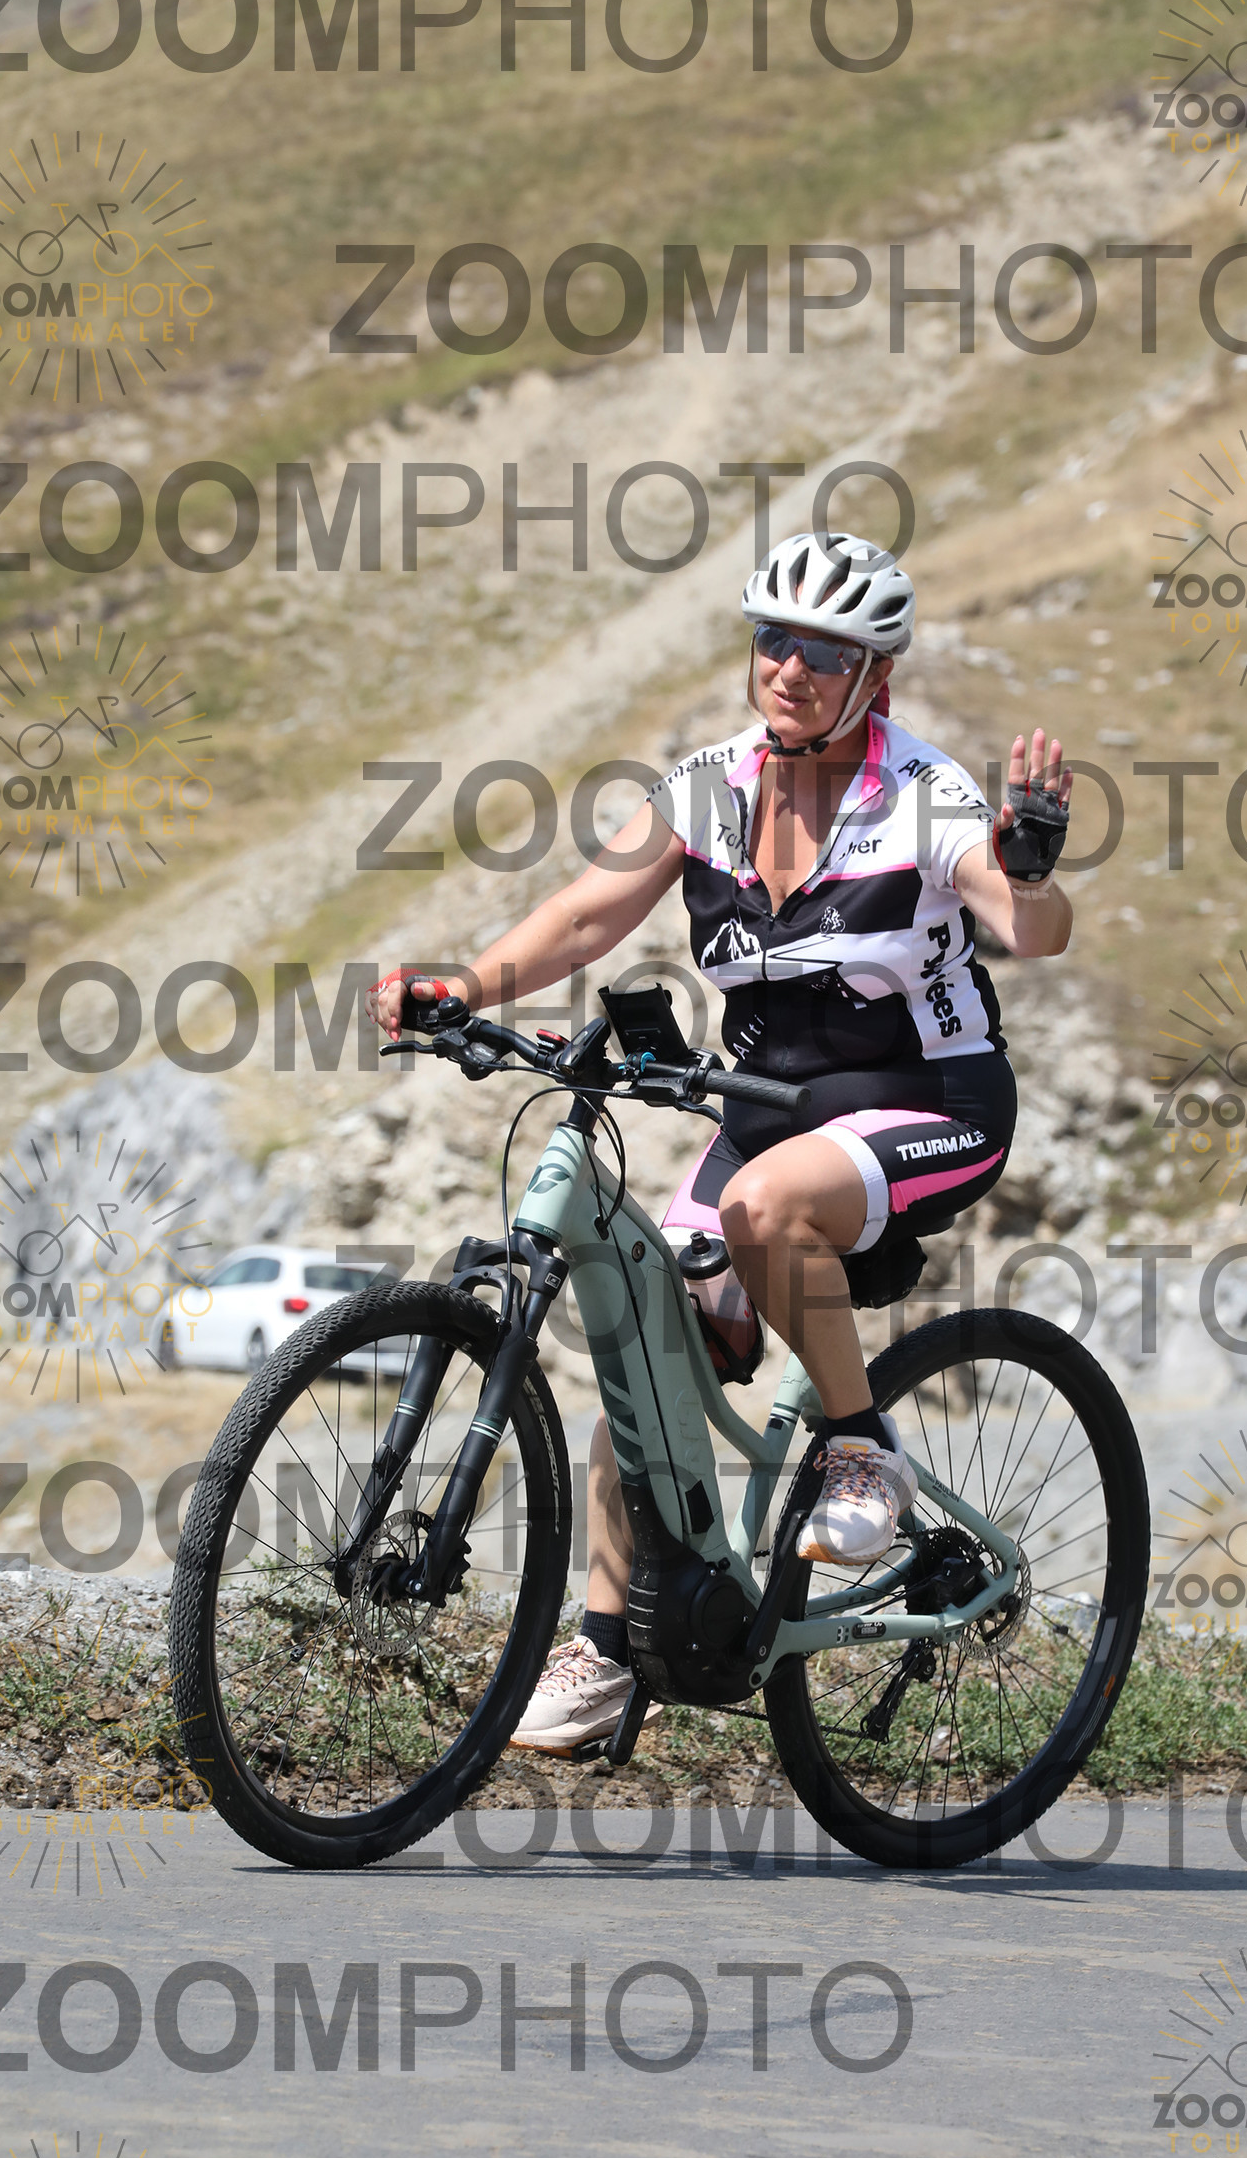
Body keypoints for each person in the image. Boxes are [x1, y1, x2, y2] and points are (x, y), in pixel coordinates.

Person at [368, 531, 1073, 1754]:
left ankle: (862, 1456)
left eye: (825, 652)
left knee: (765, 1211)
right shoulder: (708, 788)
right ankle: (608, 1655)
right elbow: (584, 913)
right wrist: (463, 987)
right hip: (764, 1107)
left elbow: (1030, 930)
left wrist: (1032, 865)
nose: (790, 668)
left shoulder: (924, 795)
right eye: (774, 640)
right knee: (643, 1362)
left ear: (875, 674)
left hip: (928, 1101)